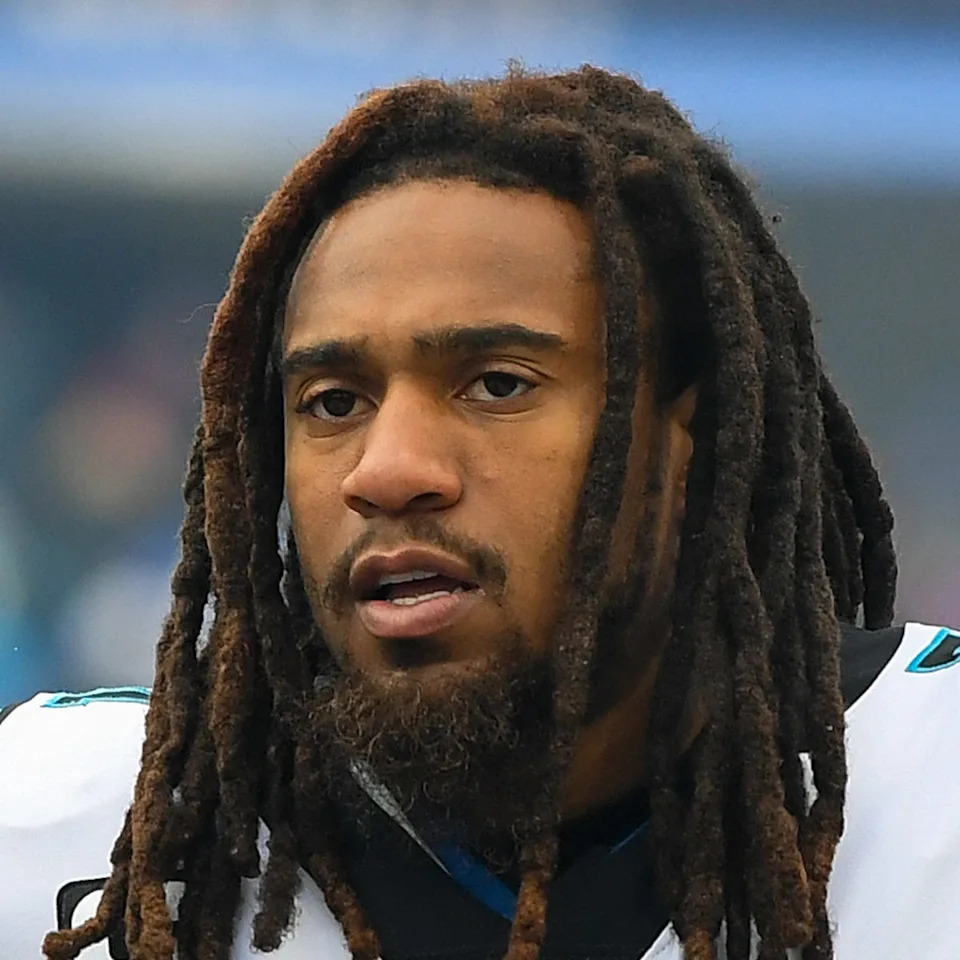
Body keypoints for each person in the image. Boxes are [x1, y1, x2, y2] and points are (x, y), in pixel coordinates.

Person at [1, 65, 957, 960]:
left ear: (692, 434)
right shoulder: (57, 825)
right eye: (334, 402)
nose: (388, 472)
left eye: (498, 384)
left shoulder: (930, 791)